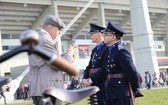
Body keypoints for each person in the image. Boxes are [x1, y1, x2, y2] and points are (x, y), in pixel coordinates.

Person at [83, 21, 141, 105]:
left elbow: (131, 72)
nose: (104, 36)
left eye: (106, 34)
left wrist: (135, 89)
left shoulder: (121, 51)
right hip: (111, 91)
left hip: (120, 92)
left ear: (113, 37)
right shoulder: (111, 51)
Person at [29, 15, 75, 105]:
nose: (60, 33)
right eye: (59, 29)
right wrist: (70, 55)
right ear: (51, 27)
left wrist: (67, 54)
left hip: (40, 88)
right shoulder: (44, 40)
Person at [82, 23, 107, 105]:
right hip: (93, 86)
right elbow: (89, 66)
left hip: (103, 86)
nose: (90, 35)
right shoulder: (95, 50)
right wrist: (85, 78)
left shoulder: (107, 48)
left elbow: (105, 69)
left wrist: (90, 80)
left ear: (99, 34)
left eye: (92, 33)